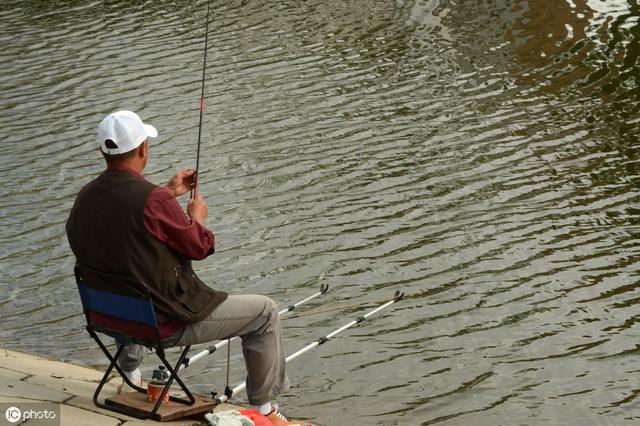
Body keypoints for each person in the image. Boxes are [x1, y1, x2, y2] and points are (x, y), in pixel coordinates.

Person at [66, 110, 298, 426]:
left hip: (110, 318)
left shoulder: (86, 196)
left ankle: (129, 371)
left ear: (102, 152)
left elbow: (125, 225)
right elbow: (201, 246)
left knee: (122, 275)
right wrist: (196, 217)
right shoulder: (153, 201)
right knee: (265, 312)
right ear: (143, 149)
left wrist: (166, 194)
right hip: (162, 325)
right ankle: (265, 411)